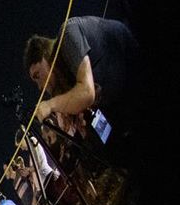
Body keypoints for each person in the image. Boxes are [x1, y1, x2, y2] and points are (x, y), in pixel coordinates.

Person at [24, 16, 141, 161]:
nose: (40, 86)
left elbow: (87, 93)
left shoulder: (67, 34)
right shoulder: (69, 77)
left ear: (45, 55)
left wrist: (50, 104)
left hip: (136, 70)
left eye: (37, 75)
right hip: (126, 98)